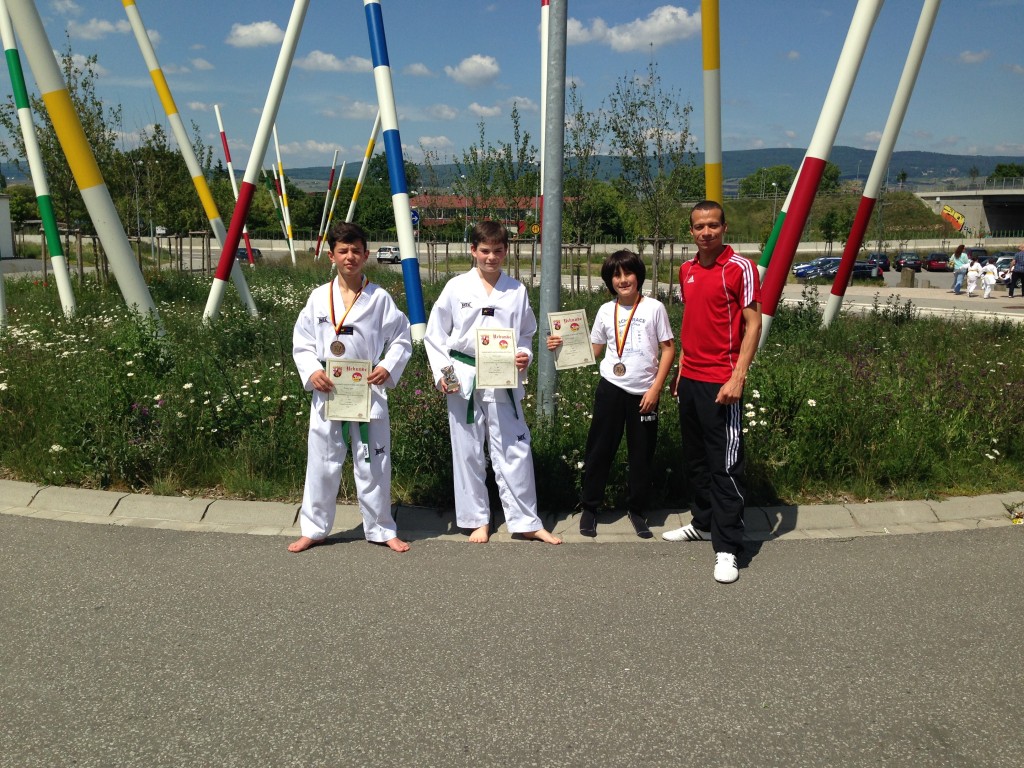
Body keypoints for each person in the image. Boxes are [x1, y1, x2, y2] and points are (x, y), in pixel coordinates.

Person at [424, 221, 561, 545]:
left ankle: (525, 521)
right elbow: (435, 335)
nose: (491, 257)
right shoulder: (456, 287)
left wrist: (524, 355)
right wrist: (445, 376)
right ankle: (477, 520)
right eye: (485, 250)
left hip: (503, 376)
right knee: (467, 451)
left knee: (515, 448)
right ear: (473, 250)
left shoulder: (516, 290)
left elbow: (526, 333)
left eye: (498, 251)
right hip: (464, 377)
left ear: (506, 251)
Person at [289, 222, 413, 553]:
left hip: (366, 390)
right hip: (328, 390)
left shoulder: (380, 298)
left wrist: (387, 366)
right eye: (343, 251)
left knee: (374, 462)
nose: (350, 257)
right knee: (322, 462)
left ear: (366, 255)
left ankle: (381, 528)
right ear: (331, 255)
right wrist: (312, 370)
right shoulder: (318, 297)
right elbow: (302, 342)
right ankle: (314, 529)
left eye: (356, 250)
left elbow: (402, 338)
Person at [662, 201, 761, 585]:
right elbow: (694, 321)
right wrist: (682, 369)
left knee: (725, 466)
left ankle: (728, 546)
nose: (706, 232)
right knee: (696, 460)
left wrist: (738, 378)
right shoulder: (686, 269)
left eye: (713, 225)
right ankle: (703, 523)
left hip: (722, 382)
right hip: (691, 379)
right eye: (699, 226)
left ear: (724, 227)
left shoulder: (740, 268)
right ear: (691, 231)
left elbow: (753, 325)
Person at [547, 250, 675, 539]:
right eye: (616, 275)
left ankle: (637, 509)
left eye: (628, 273)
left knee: (641, 454)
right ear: (609, 281)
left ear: (638, 276)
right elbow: (594, 349)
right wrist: (560, 345)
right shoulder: (606, 310)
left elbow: (668, 348)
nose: (623, 280)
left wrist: (656, 388)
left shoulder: (654, 308)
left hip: (644, 392)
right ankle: (590, 507)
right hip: (610, 388)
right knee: (599, 450)